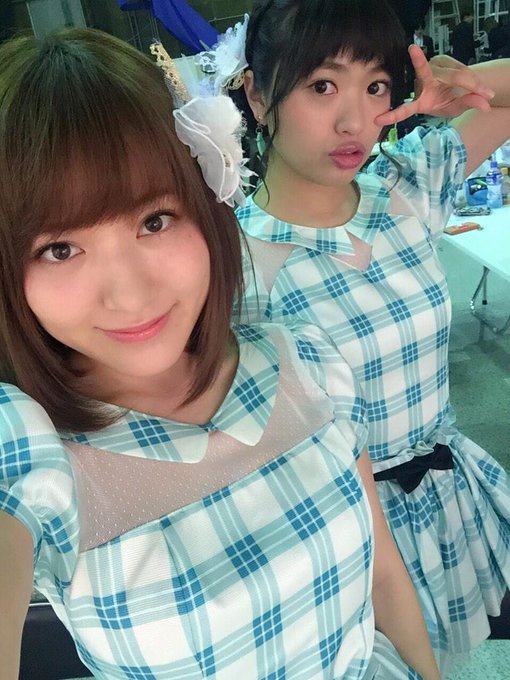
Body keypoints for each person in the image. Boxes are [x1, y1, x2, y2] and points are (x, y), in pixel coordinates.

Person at [0, 28, 441, 680]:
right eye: (59, 249)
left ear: (206, 208)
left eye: (154, 220)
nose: (130, 294)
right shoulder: (26, 455)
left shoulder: (306, 360)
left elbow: (383, 576)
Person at [228, 0, 510, 674]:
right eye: (322, 86)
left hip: (446, 496)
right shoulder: (232, 265)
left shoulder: (406, 185)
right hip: (344, 535)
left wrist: (468, 84)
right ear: (258, 96)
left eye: (376, 86)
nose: (354, 121)